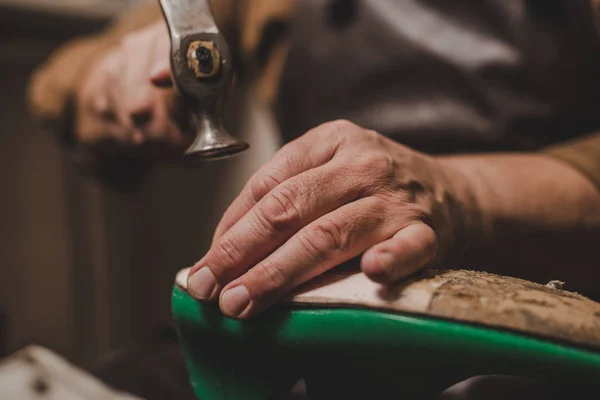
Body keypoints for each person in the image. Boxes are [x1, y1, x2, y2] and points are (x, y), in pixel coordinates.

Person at [29, 0, 600, 317]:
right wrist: (108, 85)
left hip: (554, 308)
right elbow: (66, 80)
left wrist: (465, 197)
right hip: (333, 312)